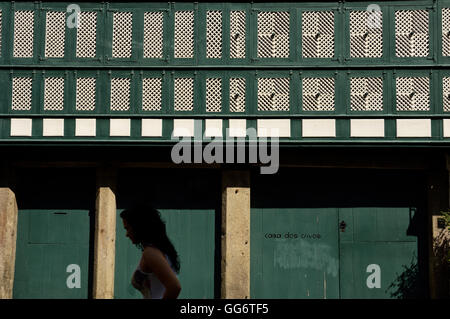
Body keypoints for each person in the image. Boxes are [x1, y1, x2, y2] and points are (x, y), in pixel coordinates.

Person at [120, 206, 181, 299]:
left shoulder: (151, 253)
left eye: (128, 228)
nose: (127, 234)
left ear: (138, 227)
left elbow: (175, 287)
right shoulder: (159, 249)